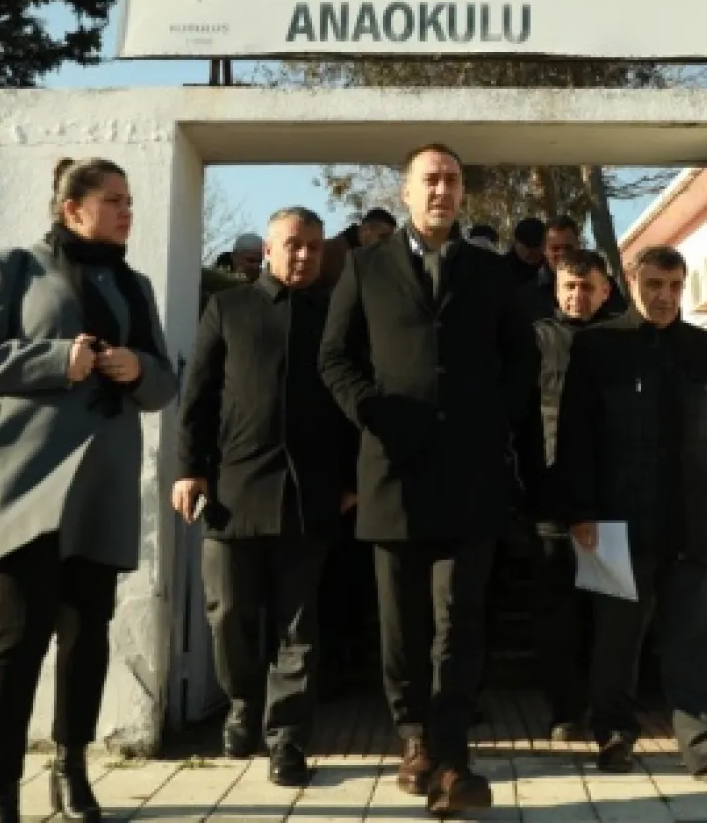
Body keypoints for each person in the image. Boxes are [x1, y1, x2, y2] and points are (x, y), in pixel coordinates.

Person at [0, 158, 177, 823]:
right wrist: (56, 358)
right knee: (18, 635)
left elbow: (164, 385)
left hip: (102, 486)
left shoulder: (134, 284)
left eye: (130, 200)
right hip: (26, 482)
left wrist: (138, 366)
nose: (126, 210)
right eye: (113, 199)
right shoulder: (14, 267)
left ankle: (71, 766)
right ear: (71, 207)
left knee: (87, 635)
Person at [319, 143, 537, 817]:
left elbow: (520, 361)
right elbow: (335, 356)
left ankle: (451, 752)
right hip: (392, 470)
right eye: (430, 180)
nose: (442, 189)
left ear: (462, 192)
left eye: (452, 179)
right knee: (402, 621)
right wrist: (371, 409)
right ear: (407, 192)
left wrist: (493, 426)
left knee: (459, 618)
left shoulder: (493, 272)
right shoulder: (365, 265)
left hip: (470, 475)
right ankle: (411, 737)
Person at [555, 245, 707, 784]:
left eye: (674, 286)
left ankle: (705, 748)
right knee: (616, 639)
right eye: (654, 285)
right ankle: (614, 737)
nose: (665, 297)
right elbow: (575, 437)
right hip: (613, 522)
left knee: (692, 638)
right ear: (632, 282)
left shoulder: (706, 351)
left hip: (692, 521)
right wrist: (578, 510)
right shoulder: (598, 347)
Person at [173, 206, 357, 786]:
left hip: (311, 495)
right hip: (233, 488)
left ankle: (287, 738)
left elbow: (354, 406)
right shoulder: (227, 308)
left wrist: (351, 479)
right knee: (228, 612)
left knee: (298, 628)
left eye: (312, 247)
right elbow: (198, 396)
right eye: (292, 245)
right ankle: (242, 702)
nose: (303, 256)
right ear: (269, 250)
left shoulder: (335, 318)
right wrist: (189, 470)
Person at [517, 249, 619, 742]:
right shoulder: (535, 341)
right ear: (557, 290)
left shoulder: (625, 340)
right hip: (551, 500)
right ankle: (565, 709)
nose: (578, 296)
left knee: (608, 613)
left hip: (612, 500)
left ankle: (609, 711)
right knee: (557, 615)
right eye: (569, 288)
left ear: (606, 290)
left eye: (588, 287)